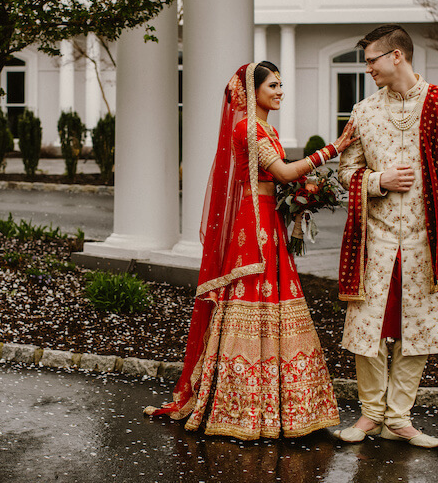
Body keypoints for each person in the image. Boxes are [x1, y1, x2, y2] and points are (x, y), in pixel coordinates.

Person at [144, 61, 357, 439]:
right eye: (273, 85)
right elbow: (284, 173)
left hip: (268, 218)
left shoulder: (266, 127)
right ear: (251, 90)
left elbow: (284, 177)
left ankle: (280, 405)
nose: (279, 91)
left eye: (281, 85)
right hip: (253, 223)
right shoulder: (248, 128)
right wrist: (334, 148)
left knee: (276, 295)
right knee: (254, 294)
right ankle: (242, 406)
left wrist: (301, 197)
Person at [335, 24, 438, 448]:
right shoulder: (363, 112)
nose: (368, 70)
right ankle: (369, 415)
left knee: (418, 329)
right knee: (370, 330)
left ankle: (399, 417)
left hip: (426, 242)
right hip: (373, 241)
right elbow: (346, 172)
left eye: (372, 61)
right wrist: (378, 179)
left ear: (397, 55)